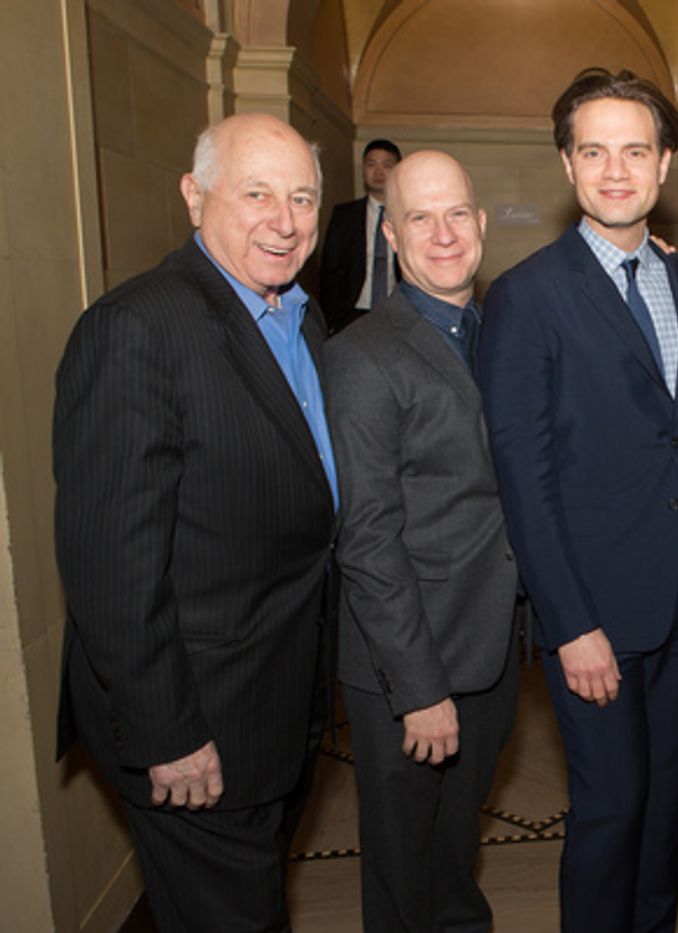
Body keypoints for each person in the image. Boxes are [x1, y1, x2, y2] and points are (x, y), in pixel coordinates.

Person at [53, 113, 337, 932]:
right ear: (194, 194)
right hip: (193, 721)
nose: (284, 222)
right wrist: (165, 733)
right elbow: (111, 565)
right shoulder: (136, 329)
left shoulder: (300, 318)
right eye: (256, 194)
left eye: (303, 198)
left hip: (274, 702)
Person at [478, 68, 678, 933]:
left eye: (634, 150)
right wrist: (569, 622)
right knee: (611, 814)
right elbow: (524, 475)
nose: (614, 170)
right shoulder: (525, 297)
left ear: (665, 166)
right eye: (593, 151)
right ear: (566, 165)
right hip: (597, 622)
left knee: (663, 823)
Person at [323, 151, 518, 933]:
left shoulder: (502, 332)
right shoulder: (361, 355)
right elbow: (366, 538)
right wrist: (419, 688)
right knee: (405, 868)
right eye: (419, 218)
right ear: (393, 238)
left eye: (456, 214)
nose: (443, 235)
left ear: (478, 223)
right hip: (410, 663)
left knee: (452, 847)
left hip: (492, 645)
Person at [320, 138, 401, 332]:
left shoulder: (409, 216)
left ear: (398, 170)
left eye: (387, 165)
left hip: (398, 314)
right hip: (352, 316)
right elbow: (329, 270)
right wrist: (332, 319)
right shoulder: (344, 215)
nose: (379, 172)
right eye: (371, 164)